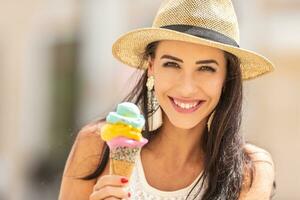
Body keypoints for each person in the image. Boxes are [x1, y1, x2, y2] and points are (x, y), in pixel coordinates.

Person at [59, 0, 276, 199]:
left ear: (226, 78)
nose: (187, 87)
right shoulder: (97, 145)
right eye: (172, 64)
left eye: (206, 68)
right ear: (151, 67)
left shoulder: (251, 170)